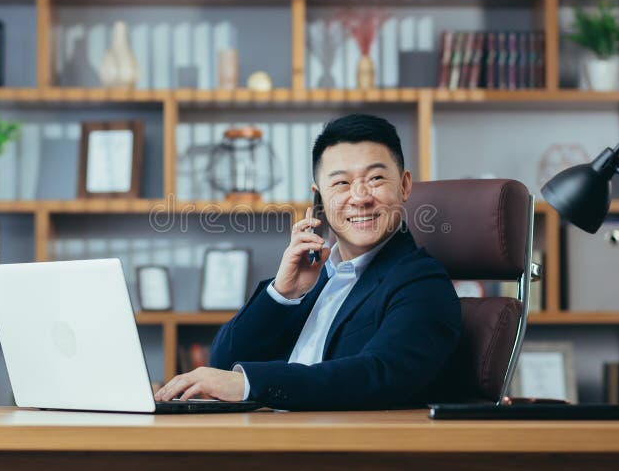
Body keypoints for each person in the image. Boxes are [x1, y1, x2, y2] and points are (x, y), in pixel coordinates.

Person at [155, 114, 461, 410]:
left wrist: (249, 383)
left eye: (376, 178)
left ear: (405, 186)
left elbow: (378, 374)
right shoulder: (315, 273)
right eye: (341, 183)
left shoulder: (422, 283)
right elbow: (222, 361)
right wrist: (283, 294)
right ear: (319, 200)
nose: (360, 196)